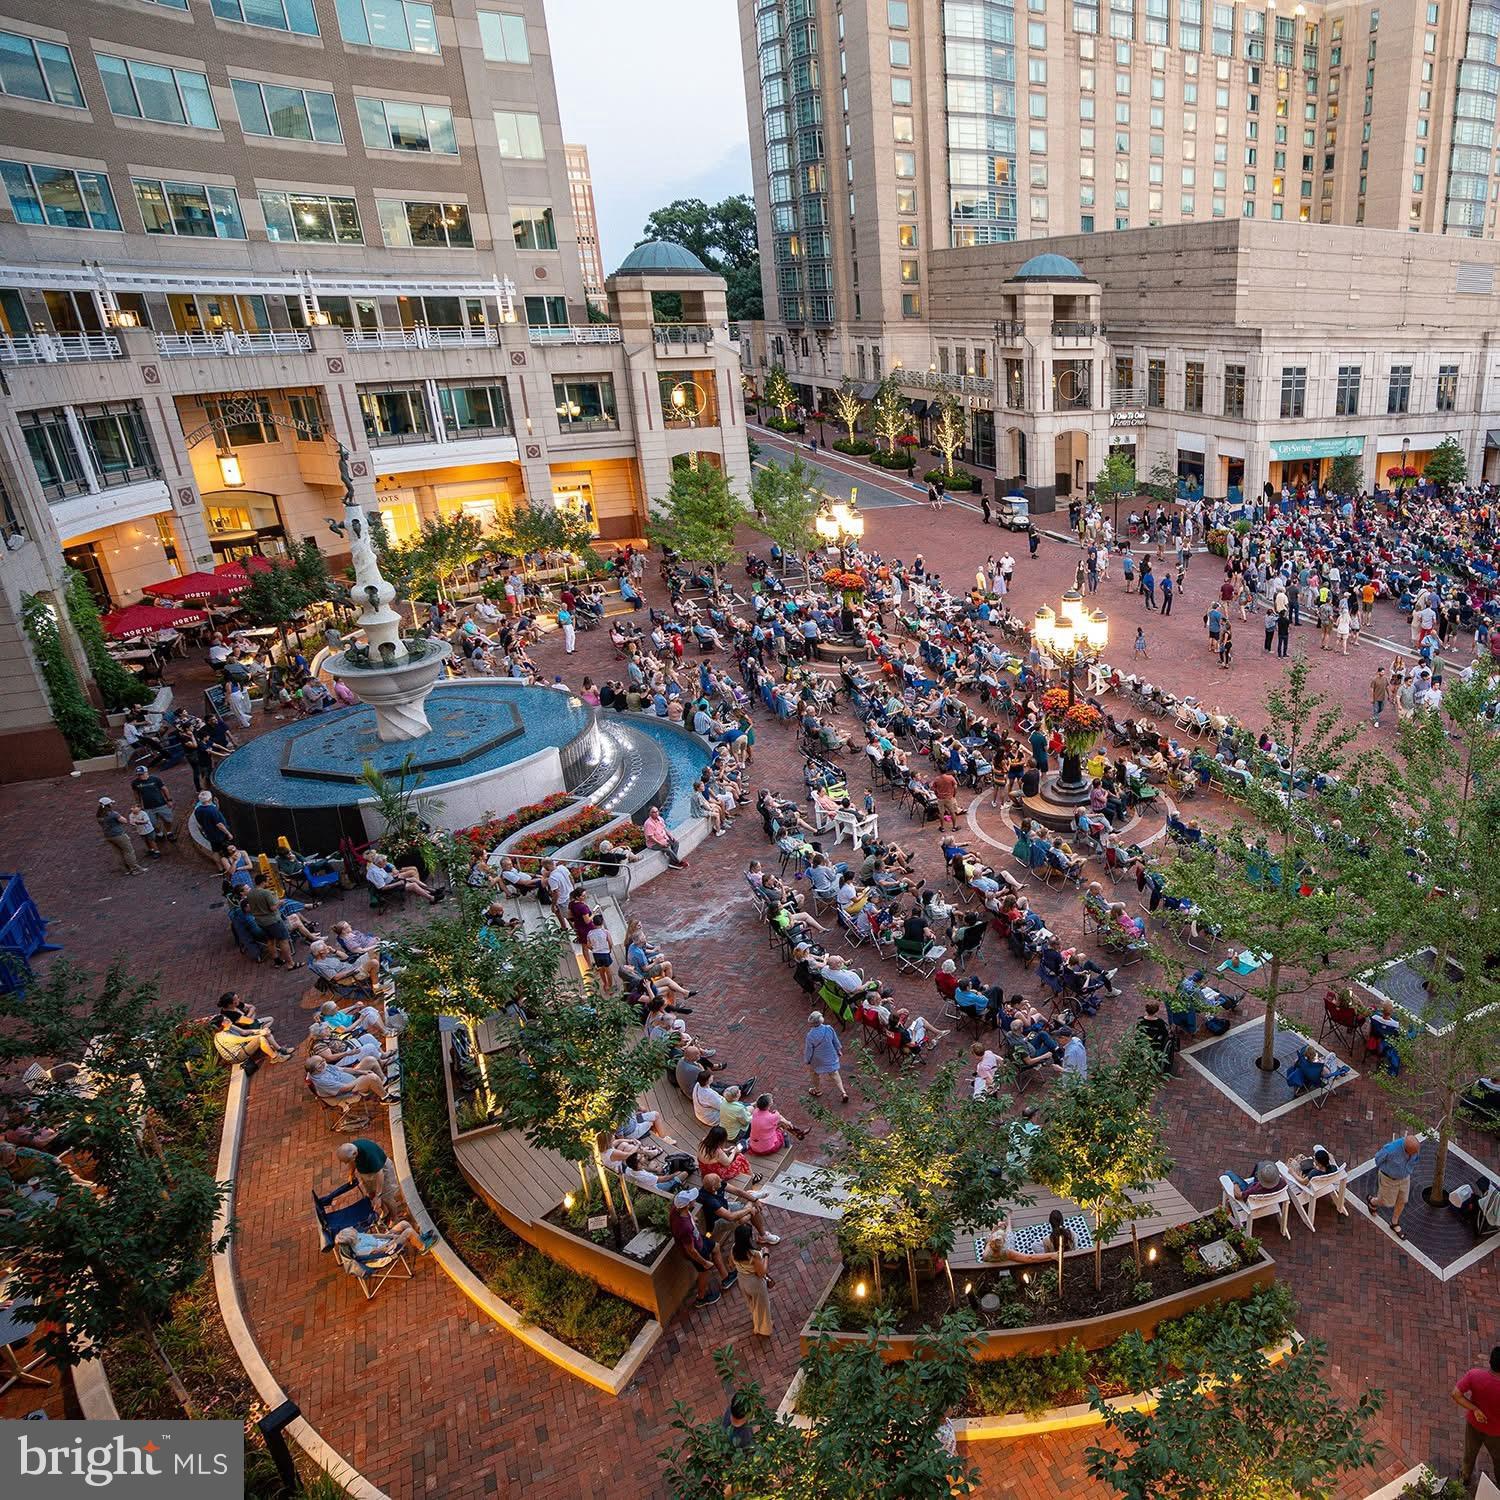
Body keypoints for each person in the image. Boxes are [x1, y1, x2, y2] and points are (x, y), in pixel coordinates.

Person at [669, 1188, 734, 1308]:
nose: (694, 1199)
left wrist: (692, 1218)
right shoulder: (685, 1228)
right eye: (692, 1199)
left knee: (716, 1247)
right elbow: (691, 1250)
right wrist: (704, 1263)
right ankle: (701, 1298)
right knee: (704, 1272)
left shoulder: (676, 1210)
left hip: (699, 1240)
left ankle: (726, 1278)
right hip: (697, 1250)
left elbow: (683, 1217)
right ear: (688, 1204)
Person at [1453, 1346, 1500, 1488]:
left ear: (1490, 1361)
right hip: (1497, 1433)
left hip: (1474, 1425)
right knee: (1498, 1461)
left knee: (1469, 1454)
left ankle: (1465, 1478)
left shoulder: (1474, 1375)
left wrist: (1475, 1409)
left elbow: (1455, 1394)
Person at [1367, 1133, 1422, 1237]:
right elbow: (1378, 1159)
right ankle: (1372, 1201)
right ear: (1406, 1149)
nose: (1414, 1155)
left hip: (1405, 1177)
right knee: (1386, 1202)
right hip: (1389, 1179)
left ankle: (1394, 1222)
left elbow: (1415, 1160)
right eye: (1411, 1153)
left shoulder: (1415, 1148)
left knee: (1403, 1200)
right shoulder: (1390, 1150)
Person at [730, 1221, 774, 1337]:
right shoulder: (754, 1255)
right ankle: (763, 1329)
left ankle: (756, 1321)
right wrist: (766, 1255)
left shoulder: (734, 1249)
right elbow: (761, 1272)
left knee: (752, 1303)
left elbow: (731, 1264)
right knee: (762, 1306)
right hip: (755, 1283)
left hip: (742, 1280)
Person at [337, 1138, 400, 1216]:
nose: (348, 1163)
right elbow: (352, 1161)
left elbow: (380, 1174)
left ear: (354, 1154)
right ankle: (385, 1211)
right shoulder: (352, 1148)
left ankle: (394, 1218)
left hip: (381, 1171)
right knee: (371, 1195)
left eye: (349, 1160)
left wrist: (378, 1195)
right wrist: (351, 1173)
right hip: (367, 1173)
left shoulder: (370, 1155)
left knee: (387, 1198)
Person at [333, 1219, 437, 1263]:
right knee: (408, 1231)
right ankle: (423, 1247)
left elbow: (374, 1235)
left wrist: (391, 1235)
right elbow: (380, 1250)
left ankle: (418, 1240)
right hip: (386, 1250)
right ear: (351, 1239)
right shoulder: (360, 1250)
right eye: (353, 1232)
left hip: (383, 1241)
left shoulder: (357, 1236)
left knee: (403, 1224)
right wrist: (394, 1240)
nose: (355, 1231)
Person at [365, 851, 442, 904]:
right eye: (384, 862)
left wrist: (391, 875)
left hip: (391, 880)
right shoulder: (375, 873)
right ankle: (431, 898)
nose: (386, 863)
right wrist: (399, 882)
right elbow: (383, 888)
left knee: (413, 879)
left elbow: (384, 875)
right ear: (379, 863)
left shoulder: (376, 866)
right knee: (413, 885)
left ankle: (432, 890)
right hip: (390, 887)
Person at [803, 1010, 847, 1102]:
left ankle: (817, 1090)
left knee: (814, 1073)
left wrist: (807, 1060)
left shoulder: (810, 1036)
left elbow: (809, 1050)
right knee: (834, 1073)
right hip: (831, 1055)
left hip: (818, 1060)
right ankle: (843, 1092)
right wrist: (838, 1050)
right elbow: (835, 1040)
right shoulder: (829, 1028)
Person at [131, 765, 177, 847]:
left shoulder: (155, 779)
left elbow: (164, 789)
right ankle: (159, 833)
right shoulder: (135, 783)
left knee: (168, 820)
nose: (140, 776)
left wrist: (169, 800)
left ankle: (169, 832)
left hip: (161, 804)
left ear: (146, 772)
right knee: (152, 823)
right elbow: (136, 794)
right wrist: (138, 805)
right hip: (148, 807)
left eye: (141, 774)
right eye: (138, 774)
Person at [96, 796, 143, 876]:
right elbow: (124, 821)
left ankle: (125, 870)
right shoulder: (113, 814)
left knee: (118, 853)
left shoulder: (98, 815)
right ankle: (134, 869)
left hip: (108, 836)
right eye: (111, 803)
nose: (112, 804)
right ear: (108, 805)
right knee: (129, 851)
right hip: (119, 835)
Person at [643, 805, 688, 870]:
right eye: (654, 812)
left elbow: (664, 829)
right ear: (649, 814)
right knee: (667, 849)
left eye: (657, 811)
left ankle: (672, 862)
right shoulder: (648, 824)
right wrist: (661, 844)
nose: (656, 813)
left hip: (664, 839)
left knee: (676, 843)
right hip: (654, 844)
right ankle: (679, 862)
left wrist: (671, 836)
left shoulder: (660, 819)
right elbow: (651, 837)